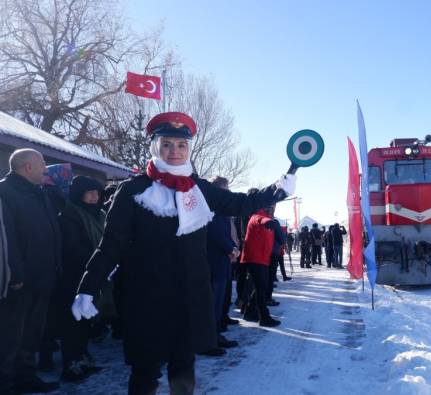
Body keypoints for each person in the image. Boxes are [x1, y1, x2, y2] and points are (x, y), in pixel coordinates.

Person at [70, 112, 295, 395]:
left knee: (183, 368)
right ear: (155, 146)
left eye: (181, 145)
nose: (174, 152)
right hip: (145, 295)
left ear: (188, 149)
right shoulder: (133, 190)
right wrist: (88, 288)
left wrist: (276, 190)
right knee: (145, 371)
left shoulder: (199, 188)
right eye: (166, 144)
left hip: (189, 292)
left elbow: (241, 203)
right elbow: (111, 243)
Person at [0, 149, 62, 394]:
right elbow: (6, 236)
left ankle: (27, 377)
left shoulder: (39, 192)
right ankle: (5, 384)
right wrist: (14, 274)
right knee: (10, 337)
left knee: (32, 334)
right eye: (43, 164)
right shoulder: (5, 192)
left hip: (43, 276)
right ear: (28, 167)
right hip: (19, 282)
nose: (46, 168)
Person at [56, 176, 106, 382]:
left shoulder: (100, 214)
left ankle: (82, 356)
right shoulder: (68, 215)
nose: (95, 197)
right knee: (73, 321)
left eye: (97, 192)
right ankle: (71, 363)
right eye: (90, 192)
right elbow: (73, 247)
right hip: (74, 275)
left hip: (93, 274)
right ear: (79, 194)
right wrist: (97, 262)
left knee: (86, 318)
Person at [202, 176, 239, 357]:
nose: (228, 192)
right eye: (226, 188)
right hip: (213, 263)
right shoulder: (211, 207)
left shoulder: (220, 208)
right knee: (212, 304)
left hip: (221, 262)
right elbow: (215, 233)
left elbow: (225, 232)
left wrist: (232, 246)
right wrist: (230, 248)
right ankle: (209, 341)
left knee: (218, 302)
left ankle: (215, 335)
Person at [240, 206, 280, 326]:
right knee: (261, 288)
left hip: (261, 258)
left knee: (260, 287)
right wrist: (268, 222)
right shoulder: (257, 215)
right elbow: (259, 219)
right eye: (271, 206)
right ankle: (264, 317)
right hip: (255, 258)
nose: (273, 208)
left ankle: (250, 312)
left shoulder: (268, 218)